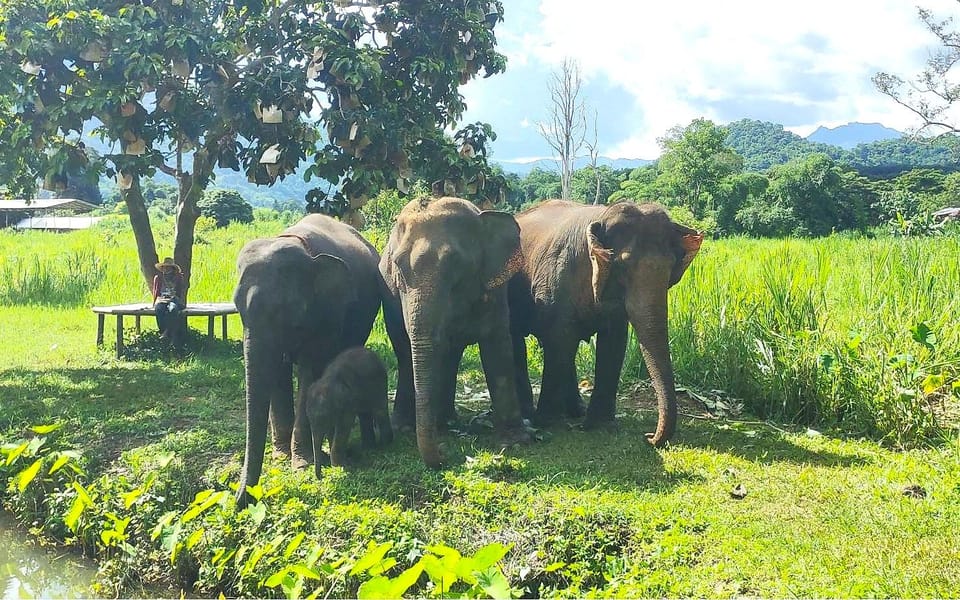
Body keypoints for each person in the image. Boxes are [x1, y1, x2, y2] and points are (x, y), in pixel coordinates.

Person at [152, 257, 186, 339]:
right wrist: (155, 302)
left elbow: (180, 292)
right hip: (162, 299)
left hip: (174, 299)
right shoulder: (158, 278)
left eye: (168, 267)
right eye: (164, 267)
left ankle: (167, 332)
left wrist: (175, 297)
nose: (166, 269)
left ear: (172, 268)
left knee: (173, 309)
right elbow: (156, 292)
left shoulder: (178, 277)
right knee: (159, 309)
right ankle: (163, 331)